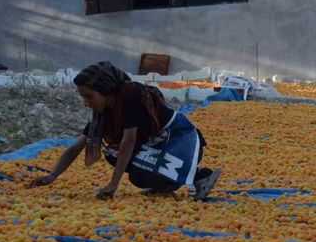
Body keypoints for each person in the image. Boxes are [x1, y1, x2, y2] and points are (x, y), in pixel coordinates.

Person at [27, 61, 221, 200]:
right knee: (114, 155)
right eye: (83, 97)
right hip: (156, 143)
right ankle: (164, 184)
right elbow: (76, 146)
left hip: (178, 139)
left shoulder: (131, 97)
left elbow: (129, 141)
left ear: (105, 89)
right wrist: (52, 176)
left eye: (89, 96)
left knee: (136, 173)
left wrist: (113, 184)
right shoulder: (103, 113)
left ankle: (201, 175)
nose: (86, 103)